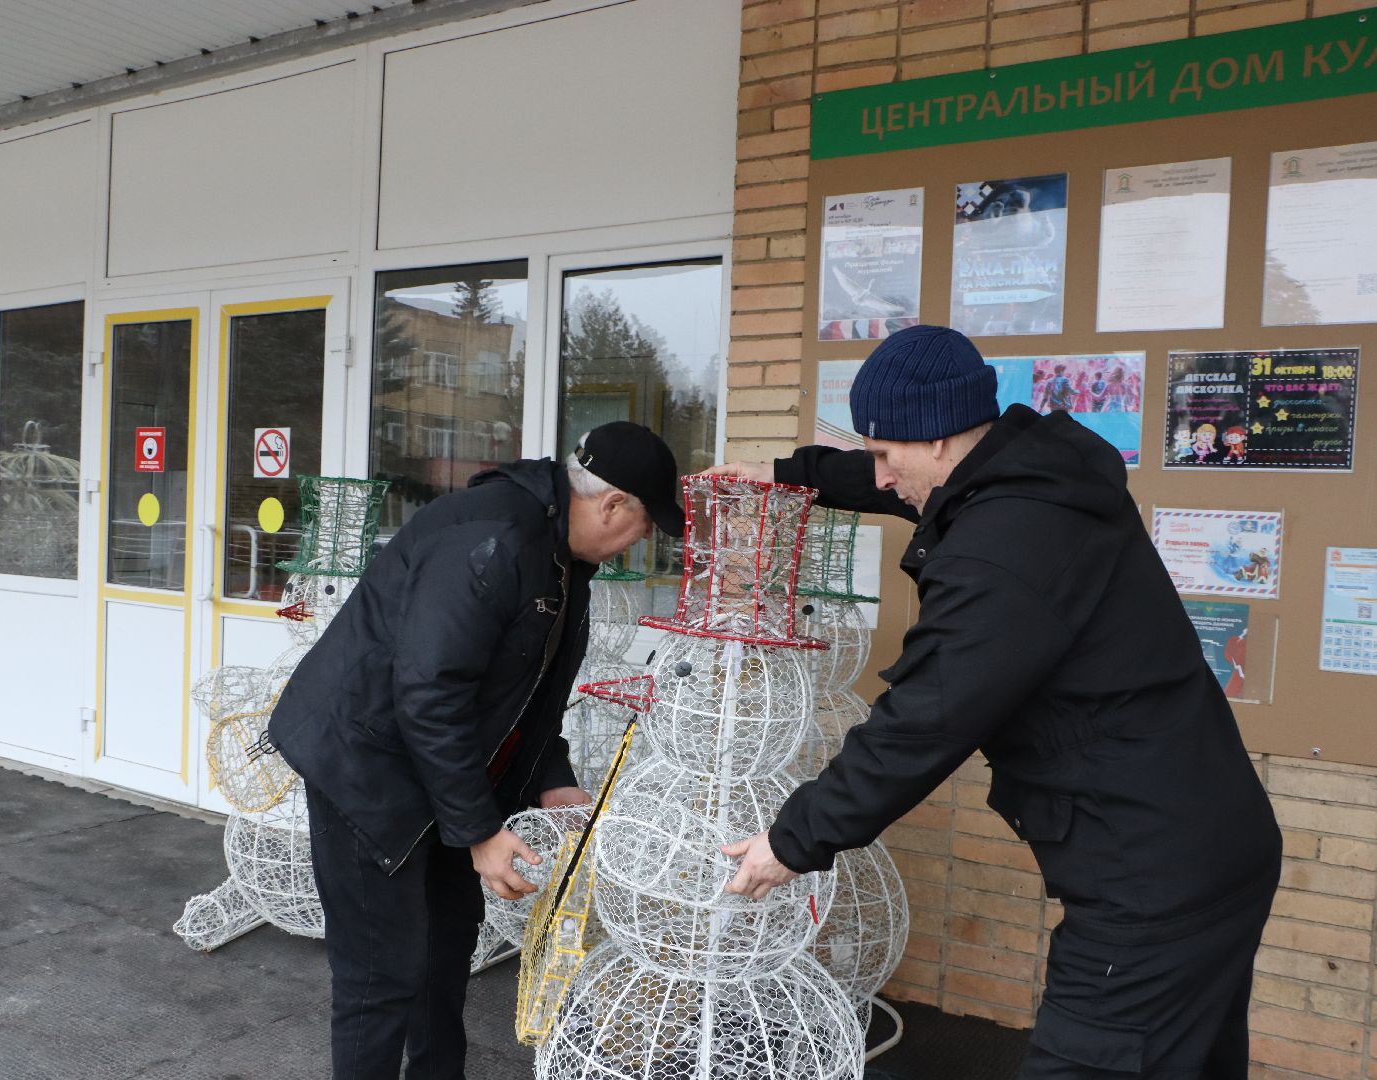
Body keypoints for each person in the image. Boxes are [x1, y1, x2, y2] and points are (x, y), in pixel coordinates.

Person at [711, 325, 1281, 1079]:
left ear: (941, 443)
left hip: (1149, 880)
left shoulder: (1002, 549)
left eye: (886, 454)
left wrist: (794, 840)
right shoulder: (1026, 482)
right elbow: (893, 485)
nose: (878, 477)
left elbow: (926, 716)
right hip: (1201, 844)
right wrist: (788, 473)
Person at [267, 421, 683, 1080]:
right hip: (366, 767)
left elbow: (524, 695)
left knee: (443, 952)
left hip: (441, 773)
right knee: (381, 975)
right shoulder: (495, 540)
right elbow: (430, 692)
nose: (641, 543)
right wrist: (481, 832)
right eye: (645, 526)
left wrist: (552, 778)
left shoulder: (564, 559)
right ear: (612, 505)